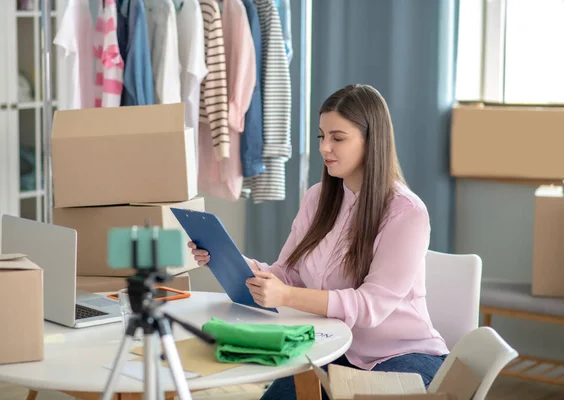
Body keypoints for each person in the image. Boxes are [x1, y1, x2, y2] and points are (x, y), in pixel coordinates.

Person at [188, 84, 450, 400]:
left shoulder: (405, 212)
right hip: (334, 348)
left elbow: (371, 307)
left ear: (372, 141)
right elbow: (287, 275)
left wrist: (285, 296)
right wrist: (226, 258)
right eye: (321, 137)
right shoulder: (317, 198)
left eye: (338, 138)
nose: (325, 147)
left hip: (403, 355)